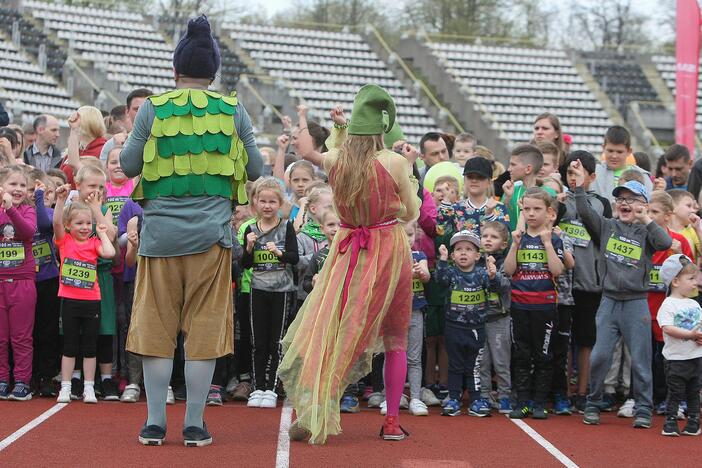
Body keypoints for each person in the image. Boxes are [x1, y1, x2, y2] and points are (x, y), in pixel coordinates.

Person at [120, 15, 261, 447]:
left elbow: (127, 166)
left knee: (156, 329)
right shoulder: (233, 108)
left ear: (175, 70)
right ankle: (195, 424)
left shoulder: (152, 108)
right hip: (211, 241)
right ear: (213, 72)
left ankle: (154, 423)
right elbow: (255, 169)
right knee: (203, 332)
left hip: (160, 240)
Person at [279, 84, 419, 444]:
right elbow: (411, 211)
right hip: (387, 249)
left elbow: (309, 150)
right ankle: (390, 422)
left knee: (330, 328)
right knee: (395, 337)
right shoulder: (395, 162)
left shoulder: (337, 159)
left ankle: (313, 409)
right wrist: (391, 212)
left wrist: (331, 127)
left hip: (347, 249)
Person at [571, 161, 672, 429]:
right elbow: (583, 210)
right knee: (600, 356)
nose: (624, 203)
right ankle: (592, 403)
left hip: (636, 304)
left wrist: (646, 218)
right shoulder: (606, 226)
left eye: (631, 199)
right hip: (609, 302)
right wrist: (581, 185)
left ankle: (643, 409)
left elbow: (665, 243)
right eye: (621, 199)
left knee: (640, 361)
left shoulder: (647, 232)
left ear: (643, 204)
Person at [559, 151, 612, 413]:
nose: (573, 178)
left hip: (590, 283)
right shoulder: (558, 200)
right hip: (563, 285)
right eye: (569, 172)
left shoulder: (601, 203)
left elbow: (595, 226)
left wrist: (579, 191)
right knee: (564, 340)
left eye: (578, 173)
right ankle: (564, 390)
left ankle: (583, 391)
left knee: (586, 339)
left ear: (591, 176)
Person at [505, 187, 564, 419]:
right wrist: (514, 245)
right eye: (527, 208)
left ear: (548, 212)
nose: (531, 213)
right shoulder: (518, 238)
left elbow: (558, 270)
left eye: (536, 209)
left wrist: (548, 243)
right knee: (521, 354)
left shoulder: (554, 239)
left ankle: (539, 402)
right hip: (520, 305)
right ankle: (522, 401)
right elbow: (509, 270)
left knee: (544, 354)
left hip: (545, 307)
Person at [53, 186, 116, 404]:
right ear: (69, 226)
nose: (84, 227)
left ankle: (89, 387)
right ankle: (66, 386)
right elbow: (56, 224)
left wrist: (100, 232)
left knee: (90, 346)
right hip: (70, 301)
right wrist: (60, 201)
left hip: (92, 301)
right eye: (79, 223)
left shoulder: (94, 242)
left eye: (87, 223)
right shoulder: (65, 241)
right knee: (70, 346)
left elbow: (109, 253)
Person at [241, 177, 299, 409]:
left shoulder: (286, 227)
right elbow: (244, 264)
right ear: (255, 202)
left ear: (280, 203)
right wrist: (248, 248)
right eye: (262, 201)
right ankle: (258, 387)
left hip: (282, 291)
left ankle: (272, 388)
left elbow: (294, 258)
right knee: (258, 341)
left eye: (272, 202)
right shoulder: (250, 229)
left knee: (276, 341)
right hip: (257, 289)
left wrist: (279, 253)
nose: (267, 206)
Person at [437, 230, 498, 417]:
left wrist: (493, 275)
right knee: (455, 365)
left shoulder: (482, 274)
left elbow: (497, 288)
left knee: (474, 366)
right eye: (459, 249)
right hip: (454, 327)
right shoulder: (451, 273)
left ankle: (476, 399)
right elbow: (439, 280)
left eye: (469, 249)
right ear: (453, 255)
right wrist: (442, 260)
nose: (463, 253)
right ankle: (454, 398)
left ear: (477, 255)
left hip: (476, 329)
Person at [647, 191, 692, 417]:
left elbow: (690, 274)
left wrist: (677, 253)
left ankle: (675, 399)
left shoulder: (679, 240)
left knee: (669, 358)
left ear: (668, 215)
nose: (649, 215)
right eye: (647, 211)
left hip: (671, 313)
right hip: (646, 308)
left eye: (654, 212)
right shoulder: (642, 239)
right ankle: (650, 397)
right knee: (650, 358)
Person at [0, 166, 37, 401]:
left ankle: (22, 381)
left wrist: (11, 210)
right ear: (3, 187)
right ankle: (2, 379)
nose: (18, 189)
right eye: (13, 184)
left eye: (23, 185)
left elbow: (27, 232)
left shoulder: (27, 211)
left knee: (21, 336)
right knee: (1, 337)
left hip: (23, 281)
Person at [657, 254, 702, 437]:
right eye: (690, 279)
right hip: (676, 359)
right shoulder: (668, 304)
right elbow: (667, 328)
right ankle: (670, 422)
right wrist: (691, 335)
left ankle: (693, 423)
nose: (695, 282)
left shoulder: (694, 303)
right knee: (675, 392)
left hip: (695, 357)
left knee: (694, 391)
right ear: (675, 281)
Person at [31, 175, 62, 397]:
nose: (43, 195)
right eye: (40, 191)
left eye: (48, 192)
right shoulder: (20, 214)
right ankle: (28, 373)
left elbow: (43, 223)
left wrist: (41, 199)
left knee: (47, 329)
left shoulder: (50, 213)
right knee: (28, 330)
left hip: (48, 279)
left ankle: (46, 375)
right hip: (26, 280)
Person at [478, 220, 512, 414]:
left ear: (504, 243)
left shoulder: (505, 262)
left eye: (494, 237)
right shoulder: (475, 260)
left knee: (501, 360)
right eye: (485, 236)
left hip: (500, 318)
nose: (488, 240)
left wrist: (494, 276)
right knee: (483, 361)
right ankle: (484, 395)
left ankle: (505, 395)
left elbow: (506, 286)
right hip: (480, 318)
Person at [404, 221, 430, 416]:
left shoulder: (419, 256)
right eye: (403, 234)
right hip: (394, 313)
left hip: (415, 312)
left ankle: (415, 397)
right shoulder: (389, 256)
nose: (407, 239)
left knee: (414, 358)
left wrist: (421, 273)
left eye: (410, 234)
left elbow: (426, 275)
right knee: (392, 355)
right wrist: (406, 274)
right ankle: (391, 397)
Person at [592, 126, 652, 201]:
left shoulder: (642, 175)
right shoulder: (594, 172)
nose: (614, 156)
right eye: (610, 151)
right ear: (603, 148)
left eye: (619, 152)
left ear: (629, 151)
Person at [502, 144, 543, 231]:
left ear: (528, 169)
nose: (509, 169)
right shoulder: (510, 191)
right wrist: (507, 199)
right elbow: (500, 221)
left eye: (513, 165)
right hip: (512, 244)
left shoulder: (547, 193)